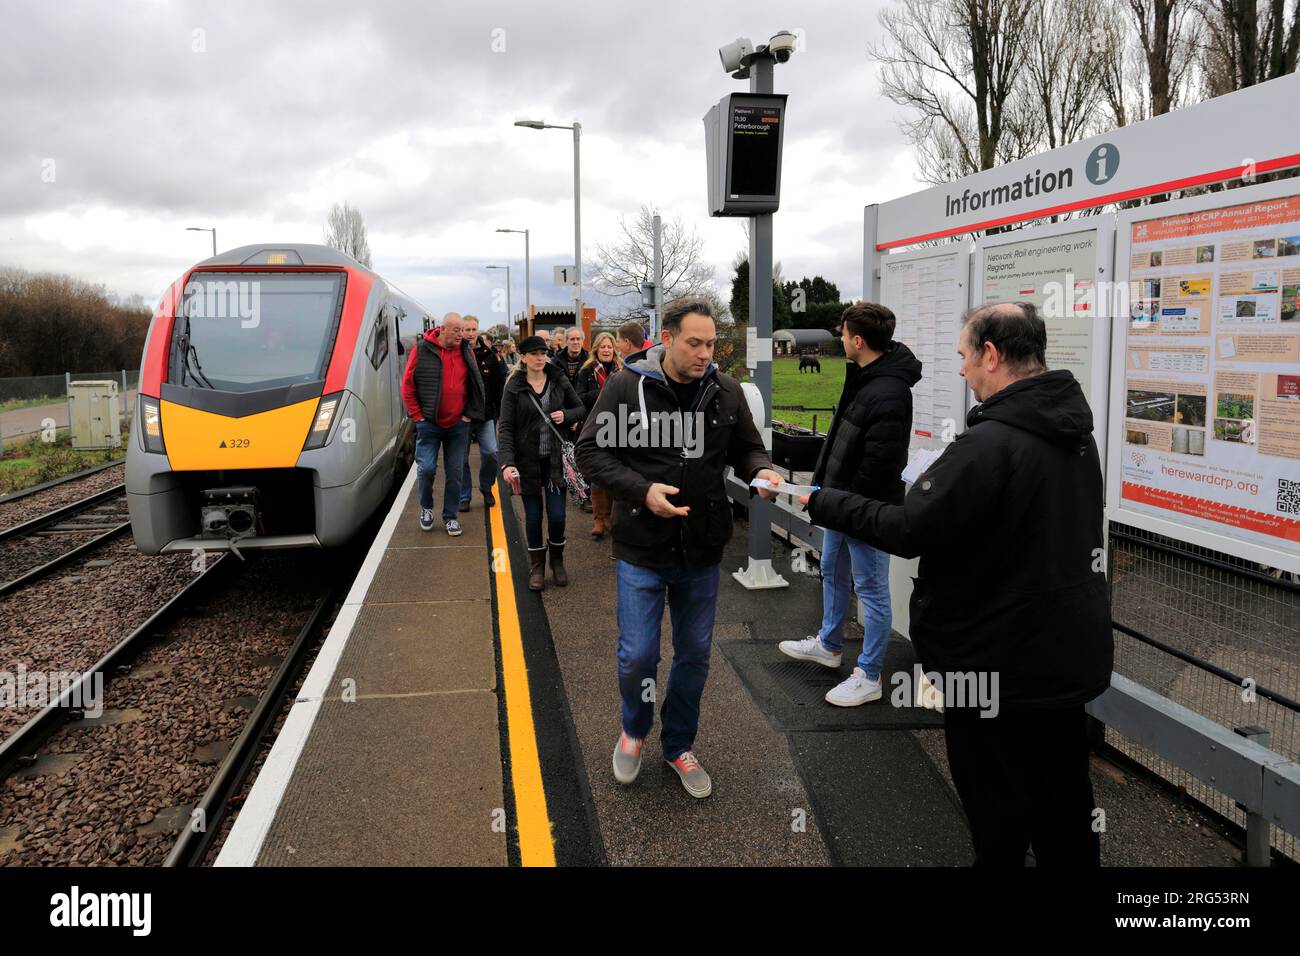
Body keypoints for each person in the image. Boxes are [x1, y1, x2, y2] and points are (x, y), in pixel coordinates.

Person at [801, 302, 1113, 866]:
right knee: (1065, 809)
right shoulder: (1076, 434)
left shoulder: (991, 444)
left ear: (991, 355)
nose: (963, 369)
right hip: (1062, 658)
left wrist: (819, 500)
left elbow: (907, 526)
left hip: (996, 659)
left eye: (966, 356)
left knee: (995, 807)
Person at [576, 297, 784, 799]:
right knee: (638, 655)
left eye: (711, 344)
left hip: (700, 551)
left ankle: (678, 745)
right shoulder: (628, 385)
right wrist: (641, 490)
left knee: (693, 655)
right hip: (642, 546)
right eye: (694, 343)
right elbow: (590, 451)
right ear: (666, 339)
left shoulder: (724, 390)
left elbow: (747, 448)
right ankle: (633, 730)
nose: (704, 353)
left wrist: (760, 470)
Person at [779, 302, 921, 706]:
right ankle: (829, 643)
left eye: (843, 334)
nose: (840, 339)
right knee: (831, 569)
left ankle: (870, 674)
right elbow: (840, 439)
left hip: (865, 511)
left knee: (872, 589)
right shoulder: (862, 376)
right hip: (840, 502)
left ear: (857, 340)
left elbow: (880, 465)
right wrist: (824, 490)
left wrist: (839, 502)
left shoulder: (890, 391)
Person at [498, 335, 586, 590]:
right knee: (534, 517)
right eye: (534, 354)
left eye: (543, 353)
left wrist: (566, 415)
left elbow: (580, 407)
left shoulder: (558, 378)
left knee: (557, 516)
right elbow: (505, 427)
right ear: (523, 357)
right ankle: (537, 567)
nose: (540, 358)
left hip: (555, 462)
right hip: (528, 464)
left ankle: (557, 562)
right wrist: (507, 463)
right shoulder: (514, 387)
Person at [400, 312, 485, 536]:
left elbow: (475, 382)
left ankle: (450, 517)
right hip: (429, 423)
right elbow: (407, 385)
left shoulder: (466, 351)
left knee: (455, 472)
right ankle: (427, 508)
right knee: (426, 469)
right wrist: (417, 416)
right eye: (456, 330)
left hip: (458, 425)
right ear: (443, 329)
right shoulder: (422, 349)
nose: (461, 335)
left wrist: (469, 414)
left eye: (462, 331)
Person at [576, 331, 622, 539]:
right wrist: (605, 393)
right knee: (597, 473)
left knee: (613, 472)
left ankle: (610, 517)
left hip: (618, 428)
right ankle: (598, 518)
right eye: (602, 347)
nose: (606, 350)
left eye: (609, 347)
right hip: (595, 426)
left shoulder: (622, 371)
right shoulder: (586, 371)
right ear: (596, 349)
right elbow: (580, 397)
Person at [457, 316, 507, 511]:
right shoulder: (456, 352)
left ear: (478, 330)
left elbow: (497, 385)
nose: (470, 333)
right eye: (466, 329)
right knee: (461, 458)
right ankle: (464, 496)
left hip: (485, 414)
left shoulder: (490, 354)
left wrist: (499, 413)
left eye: (473, 329)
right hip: (461, 416)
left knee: (491, 453)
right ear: (461, 331)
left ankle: (486, 487)